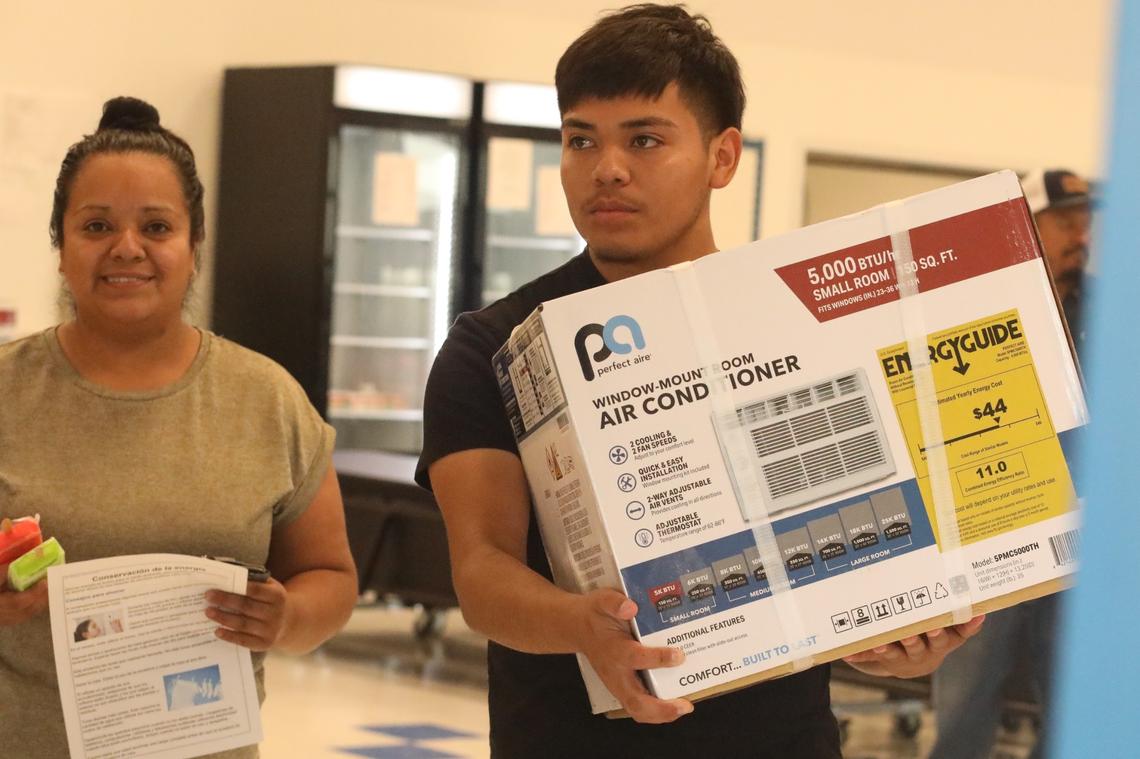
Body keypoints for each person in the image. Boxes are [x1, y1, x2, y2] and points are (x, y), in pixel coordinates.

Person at [416, 6, 983, 757]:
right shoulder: (497, 348)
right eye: (581, 139)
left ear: (723, 157)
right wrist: (585, 625)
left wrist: (896, 629)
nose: (606, 167)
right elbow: (482, 573)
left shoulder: (801, 321)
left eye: (645, 139)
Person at [0, 96, 358, 758]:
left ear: (193, 246)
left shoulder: (267, 399)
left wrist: (288, 617)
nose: (127, 248)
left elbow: (330, 577)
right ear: (60, 246)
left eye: (157, 227)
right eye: (97, 224)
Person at [929, 168, 1093, 759]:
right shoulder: (973, 302)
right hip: (990, 525)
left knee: (1071, 685)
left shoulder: (1108, 311)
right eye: (1068, 221)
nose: (1084, 234)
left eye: (1087, 220)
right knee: (970, 682)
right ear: (1025, 222)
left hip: (1080, 530)